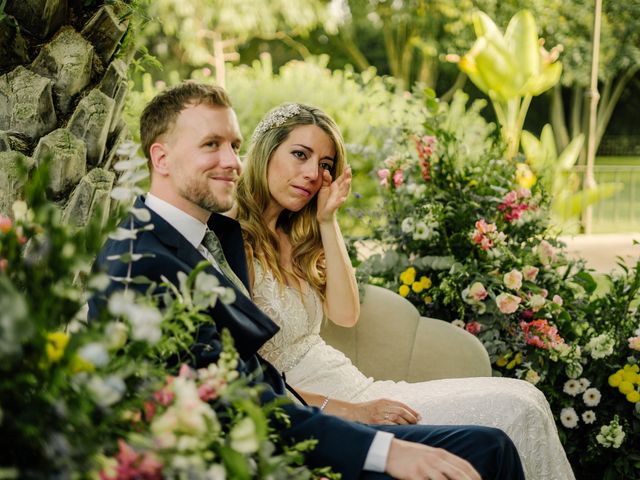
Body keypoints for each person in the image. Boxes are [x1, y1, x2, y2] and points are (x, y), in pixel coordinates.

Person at [88, 82, 525, 480]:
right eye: (211, 145)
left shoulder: (203, 240)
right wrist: (382, 450)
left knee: (491, 446)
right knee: (484, 452)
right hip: (258, 453)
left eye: (234, 146)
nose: (231, 162)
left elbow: (256, 371)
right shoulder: (141, 260)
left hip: (293, 415)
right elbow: (232, 406)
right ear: (160, 158)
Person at [234, 102, 576, 480]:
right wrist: (350, 410)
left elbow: (346, 314)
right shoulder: (230, 244)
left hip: (358, 386)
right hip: (324, 410)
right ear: (266, 150)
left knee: (525, 398)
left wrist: (328, 221)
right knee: (517, 410)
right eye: (300, 154)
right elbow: (251, 380)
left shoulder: (296, 235)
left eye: (325, 165)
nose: (314, 174)